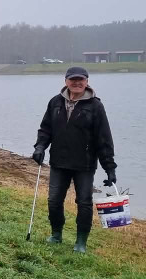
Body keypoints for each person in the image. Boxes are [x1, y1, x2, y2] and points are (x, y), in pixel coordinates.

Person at [32, 66, 117, 253]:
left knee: (84, 202)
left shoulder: (95, 106)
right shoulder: (55, 102)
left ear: (87, 82)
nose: (77, 83)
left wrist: (109, 167)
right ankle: (56, 234)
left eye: (81, 80)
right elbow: (45, 129)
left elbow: (104, 139)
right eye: (73, 79)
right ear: (66, 81)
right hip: (58, 161)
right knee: (54, 201)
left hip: (84, 164)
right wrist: (40, 147)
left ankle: (81, 242)